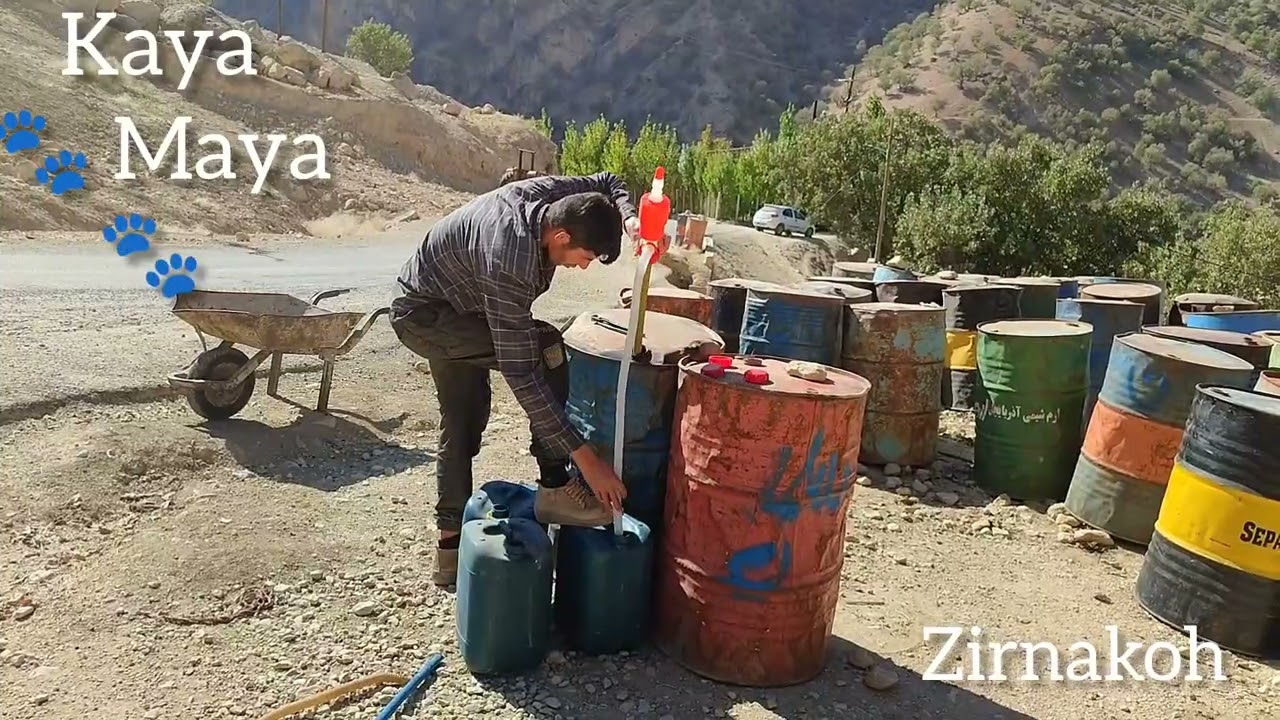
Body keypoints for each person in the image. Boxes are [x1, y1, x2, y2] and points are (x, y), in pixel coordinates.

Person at [390, 171, 642, 585]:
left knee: (462, 418)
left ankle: (450, 552)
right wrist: (586, 459)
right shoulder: (509, 259)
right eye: (586, 256)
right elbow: (521, 373)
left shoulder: (547, 197)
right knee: (543, 349)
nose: (583, 267)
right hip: (427, 316)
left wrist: (629, 219)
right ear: (560, 236)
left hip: (459, 303)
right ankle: (555, 487)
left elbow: (608, 179)